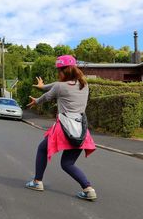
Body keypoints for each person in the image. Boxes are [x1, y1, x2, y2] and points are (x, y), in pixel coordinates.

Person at [25, 55, 97, 201]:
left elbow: (48, 96)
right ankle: (88, 189)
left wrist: (36, 101)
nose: (58, 74)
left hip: (64, 128)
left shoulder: (60, 87)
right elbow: (55, 85)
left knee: (42, 148)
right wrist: (42, 86)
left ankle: (37, 181)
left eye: (59, 71)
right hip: (80, 129)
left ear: (64, 71)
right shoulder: (84, 85)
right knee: (67, 163)